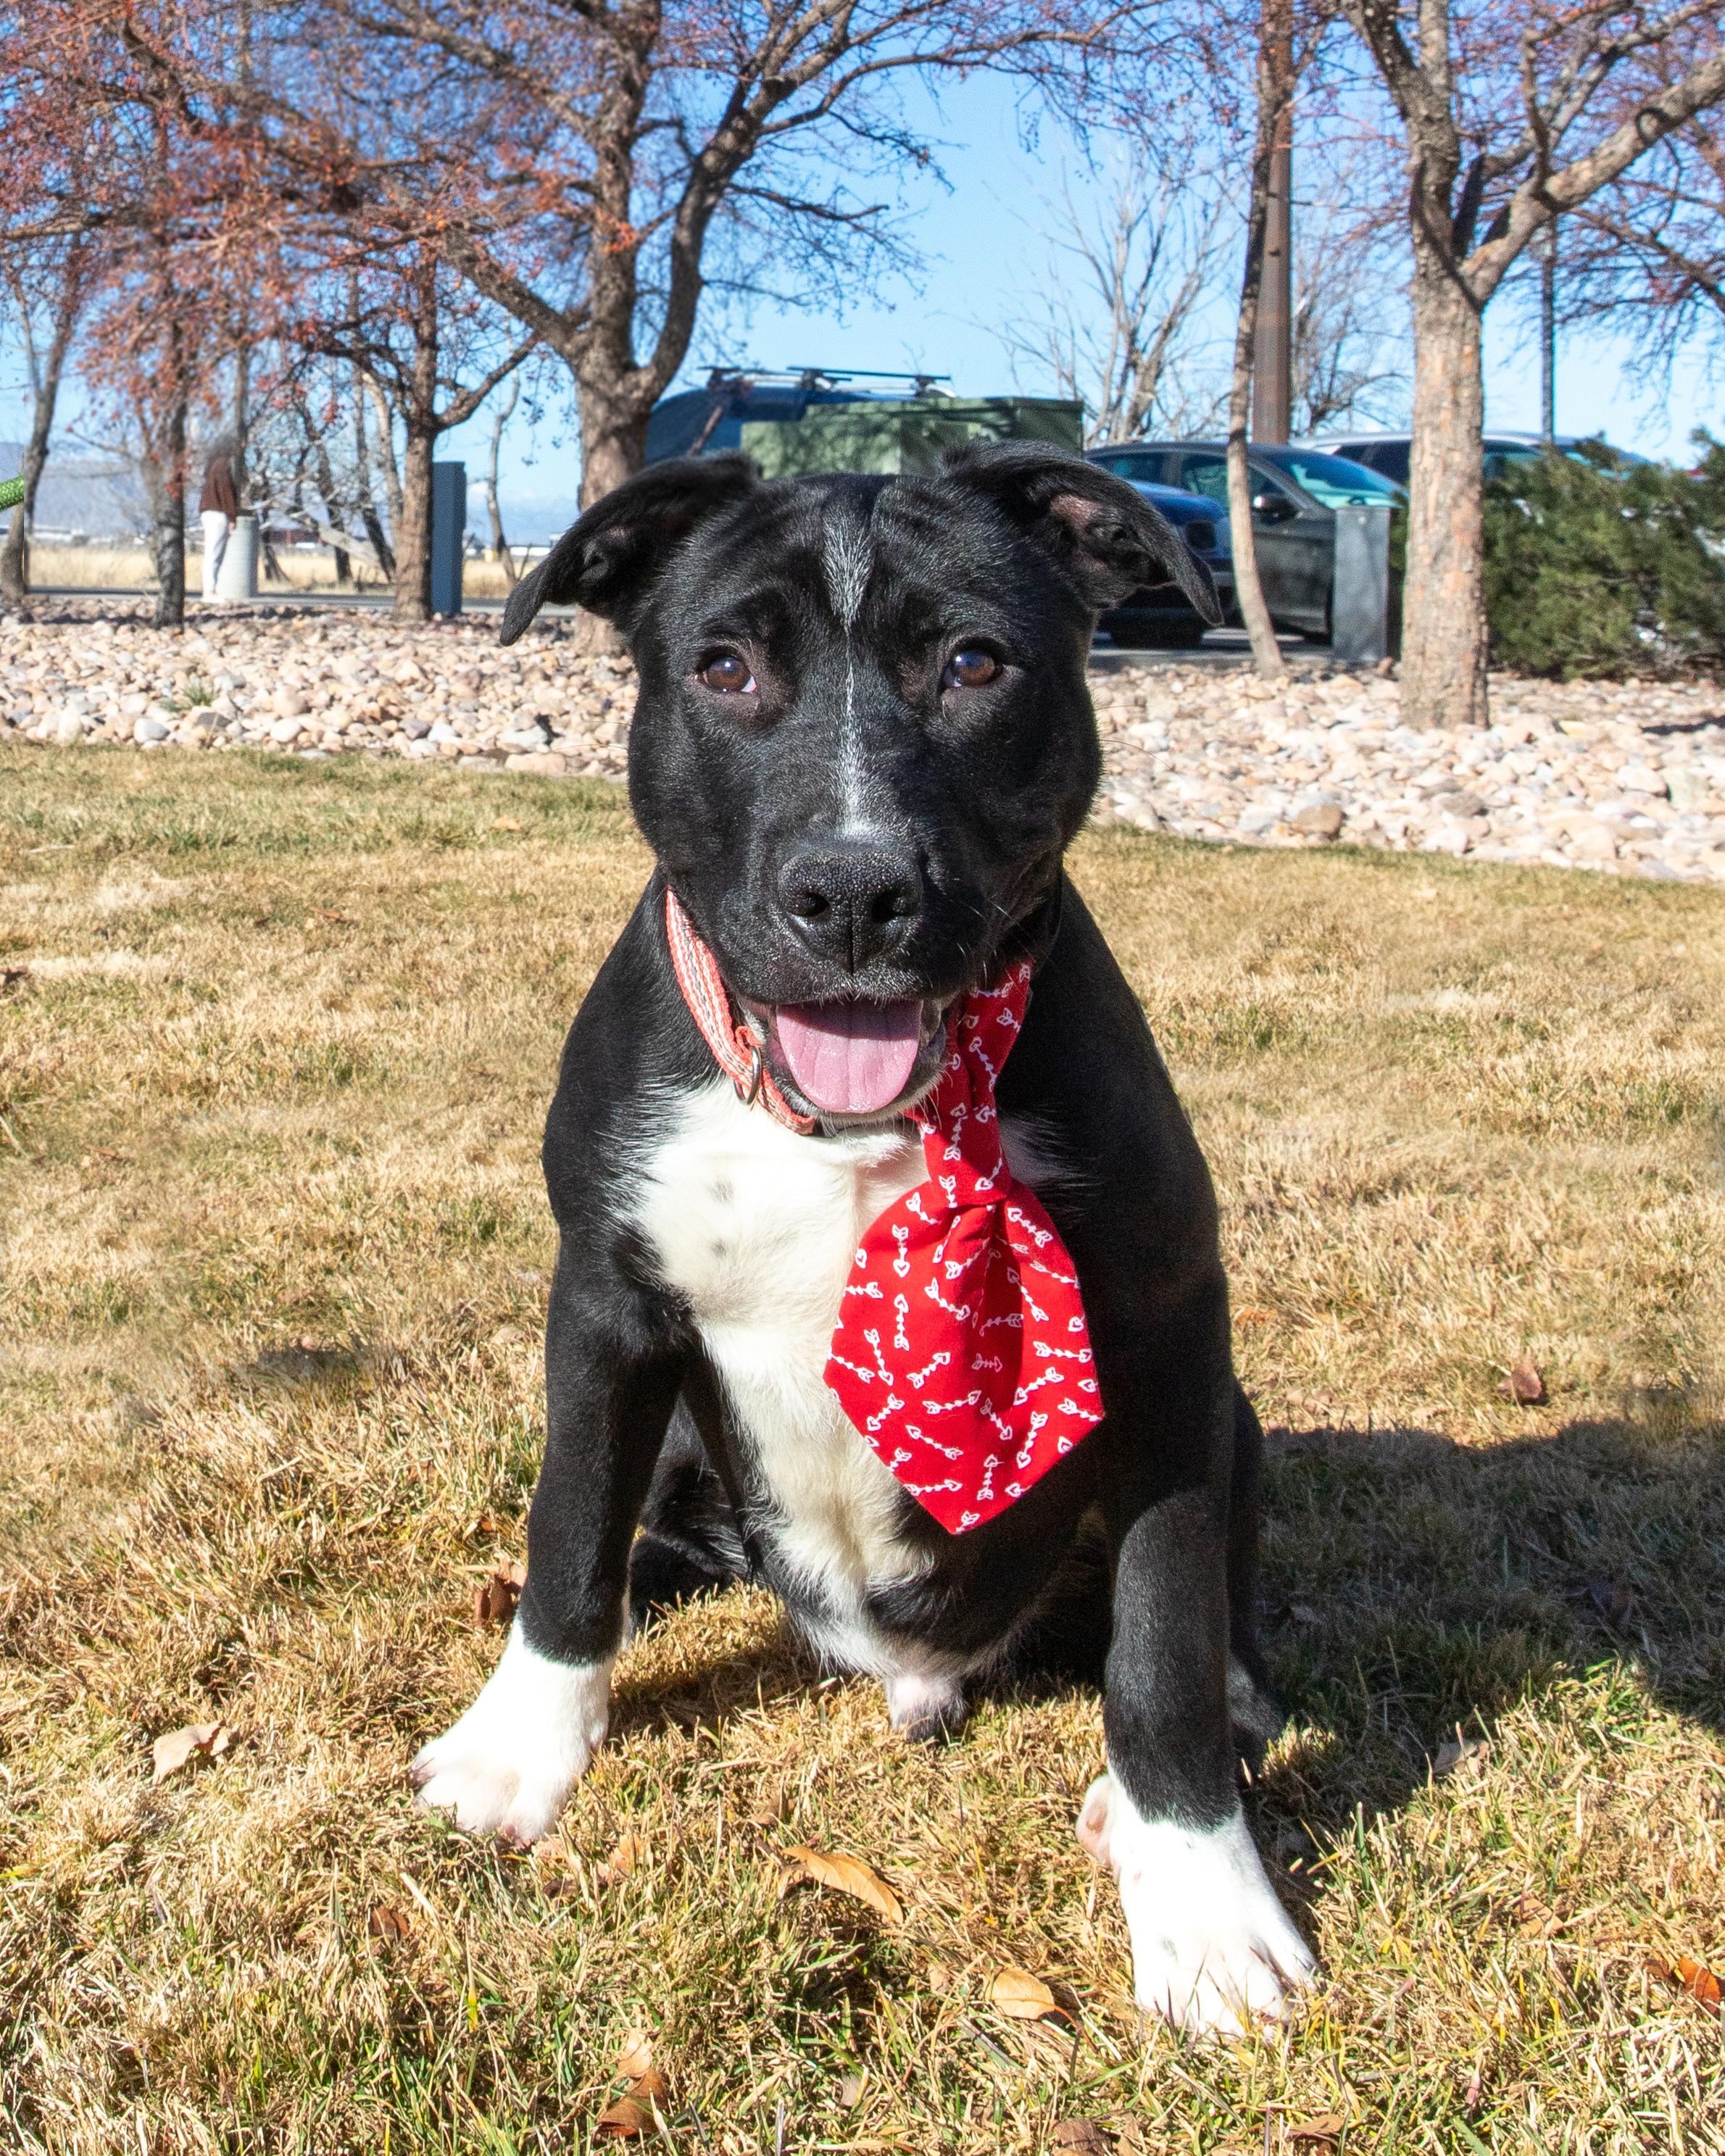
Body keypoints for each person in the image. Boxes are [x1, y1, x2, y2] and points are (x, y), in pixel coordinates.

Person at [199, 446, 238, 599]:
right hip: (218, 512)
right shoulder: (223, 465)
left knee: (212, 551)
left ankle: (209, 589)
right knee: (215, 553)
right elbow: (226, 491)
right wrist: (232, 516)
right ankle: (210, 590)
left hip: (209, 511)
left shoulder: (212, 465)